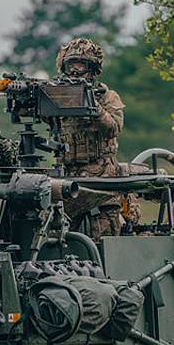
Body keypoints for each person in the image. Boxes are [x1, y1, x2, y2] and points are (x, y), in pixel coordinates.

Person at [55, 37, 133, 239]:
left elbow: (114, 127)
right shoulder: (59, 97)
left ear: (92, 68)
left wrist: (93, 109)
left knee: (102, 240)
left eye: (80, 64)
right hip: (68, 181)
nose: (75, 70)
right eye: (71, 64)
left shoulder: (107, 97)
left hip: (101, 183)